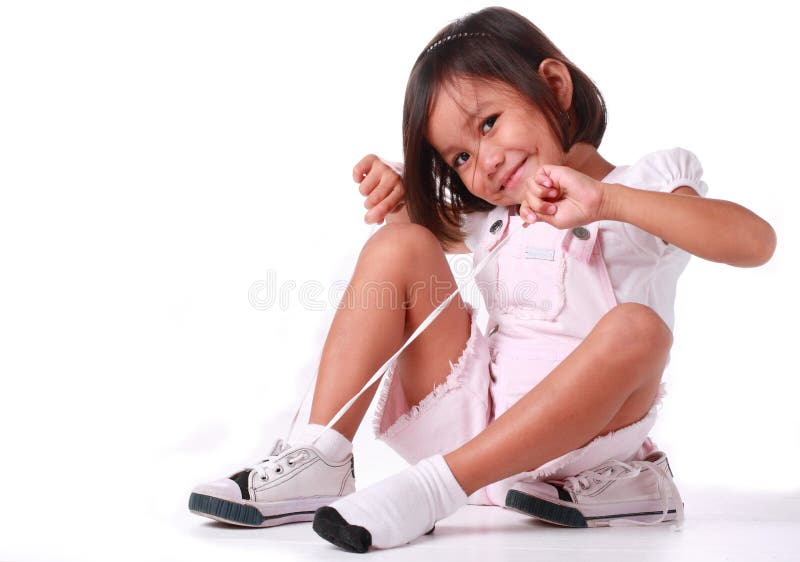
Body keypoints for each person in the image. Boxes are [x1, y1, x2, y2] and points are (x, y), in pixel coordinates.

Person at [188, 6, 777, 553]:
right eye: (460, 159)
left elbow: (755, 243)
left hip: (587, 437)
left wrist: (609, 202)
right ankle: (319, 454)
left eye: (490, 124)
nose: (485, 161)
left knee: (639, 328)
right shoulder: (494, 219)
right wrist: (399, 199)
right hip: (481, 423)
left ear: (554, 86)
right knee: (400, 243)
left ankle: (436, 489)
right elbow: (411, 261)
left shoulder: (644, 183)